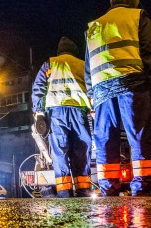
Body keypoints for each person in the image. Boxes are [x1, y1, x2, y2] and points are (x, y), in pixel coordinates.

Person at [84, 0, 151, 196]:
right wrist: (150, 79)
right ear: (132, 3)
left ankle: (109, 188)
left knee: (105, 139)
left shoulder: (94, 26)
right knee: (139, 134)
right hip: (132, 83)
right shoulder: (137, 16)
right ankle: (143, 186)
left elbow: (88, 66)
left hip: (101, 91)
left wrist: (92, 93)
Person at [32, 37, 93, 198]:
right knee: (81, 150)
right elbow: (92, 86)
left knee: (60, 152)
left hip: (56, 113)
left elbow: (38, 88)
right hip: (79, 111)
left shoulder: (50, 64)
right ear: (74, 50)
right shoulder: (82, 64)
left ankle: (64, 192)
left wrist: (39, 113)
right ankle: (83, 189)